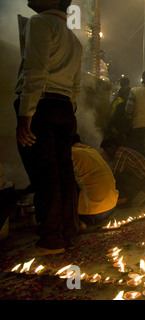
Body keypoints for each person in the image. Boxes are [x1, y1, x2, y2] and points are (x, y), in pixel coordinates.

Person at [14, 0, 83, 256]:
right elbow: (76, 85)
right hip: (65, 107)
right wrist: (69, 111)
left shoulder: (40, 23)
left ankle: (51, 238)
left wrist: (25, 114)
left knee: (45, 172)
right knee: (63, 172)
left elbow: (36, 70)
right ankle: (68, 233)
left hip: (42, 106)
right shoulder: (74, 40)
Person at [71, 135, 118, 229]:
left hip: (92, 215)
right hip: (111, 208)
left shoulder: (70, 153)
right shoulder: (92, 151)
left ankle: (75, 222)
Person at [101, 136, 145, 207]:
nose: (106, 152)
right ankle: (130, 198)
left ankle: (137, 196)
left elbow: (114, 174)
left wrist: (103, 161)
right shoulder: (124, 150)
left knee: (116, 177)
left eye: (106, 150)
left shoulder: (120, 152)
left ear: (112, 147)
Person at [108, 76, 132, 141]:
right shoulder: (122, 102)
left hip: (112, 127)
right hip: (118, 129)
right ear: (128, 84)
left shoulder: (116, 96)